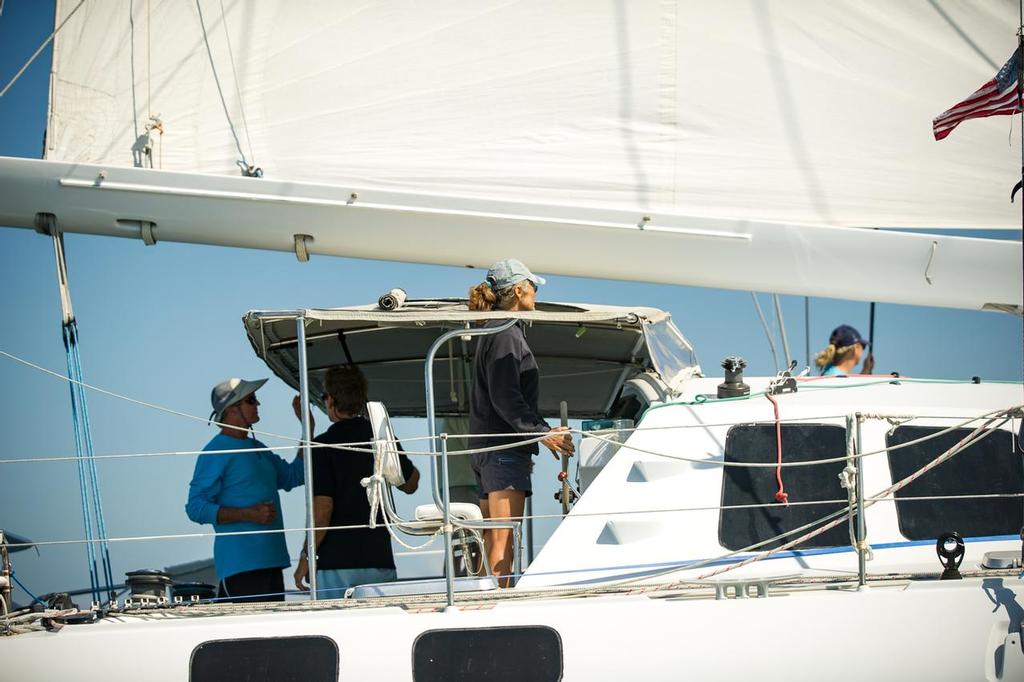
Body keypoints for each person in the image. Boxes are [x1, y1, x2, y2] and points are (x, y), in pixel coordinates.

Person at [468, 258, 574, 585]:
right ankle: (498, 610)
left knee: (493, 538)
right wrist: (543, 433)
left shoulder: (492, 331)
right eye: (533, 287)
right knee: (503, 539)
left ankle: (488, 603)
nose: (536, 294)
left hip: (488, 449)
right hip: (503, 451)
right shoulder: (505, 334)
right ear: (518, 290)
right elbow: (506, 396)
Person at [293, 365, 420, 597]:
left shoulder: (322, 447)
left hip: (335, 562)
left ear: (330, 400)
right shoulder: (381, 439)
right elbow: (411, 484)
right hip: (378, 558)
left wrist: (306, 557)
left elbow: (323, 509)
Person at [185, 377, 307, 603]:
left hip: (272, 562)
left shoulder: (258, 447)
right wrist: (248, 514)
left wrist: (306, 429)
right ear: (232, 410)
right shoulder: (215, 451)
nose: (258, 404)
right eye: (251, 400)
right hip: (241, 567)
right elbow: (195, 507)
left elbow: (294, 476)